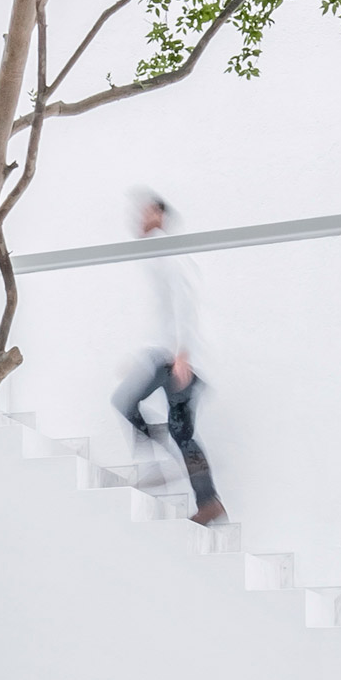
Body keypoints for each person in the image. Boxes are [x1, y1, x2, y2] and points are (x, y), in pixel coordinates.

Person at [108, 187, 228, 523]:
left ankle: (156, 462)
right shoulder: (158, 253)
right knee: (183, 433)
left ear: (160, 215)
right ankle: (209, 502)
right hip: (167, 355)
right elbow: (164, 313)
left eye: (145, 212)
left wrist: (182, 354)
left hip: (172, 358)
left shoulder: (165, 249)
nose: (138, 218)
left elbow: (184, 300)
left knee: (124, 403)